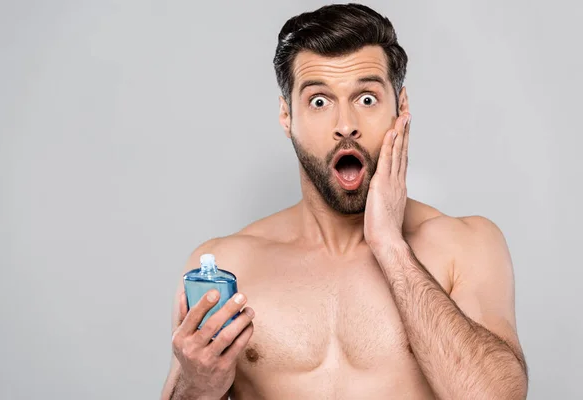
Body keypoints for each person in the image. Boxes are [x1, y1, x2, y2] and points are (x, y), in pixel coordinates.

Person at [161, 3, 528, 399]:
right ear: (287, 116)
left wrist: (391, 247)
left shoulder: (465, 246)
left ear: (401, 108)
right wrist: (196, 386)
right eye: (319, 101)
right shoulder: (228, 267)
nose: (345, 125)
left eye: (366, 99)